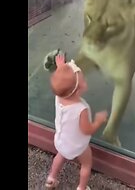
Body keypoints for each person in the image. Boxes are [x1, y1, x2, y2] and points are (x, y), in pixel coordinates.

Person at [45, 53, 109, 190]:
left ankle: (51, 178)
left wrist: (61, 67)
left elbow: (62, 83)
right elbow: (87, 130)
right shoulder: (81, 109)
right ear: (80, 89)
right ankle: (81, 187)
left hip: (61, 141)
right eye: (83, 80)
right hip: (77, 146)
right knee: (86, 164)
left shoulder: (59, 96)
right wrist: (98, 121)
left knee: (60, 156)